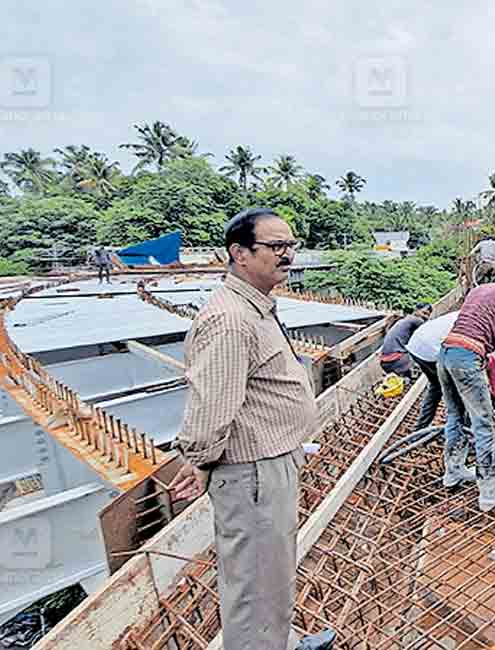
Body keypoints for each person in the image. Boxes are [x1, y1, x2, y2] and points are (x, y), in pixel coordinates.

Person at [169, 207, 332, 650]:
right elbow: (212, 403)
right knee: (256, 584)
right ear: (239, 253)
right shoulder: (230, 319)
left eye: (291, 246)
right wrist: (200, 459)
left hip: (269, 464)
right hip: (252, 472)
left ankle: (280, 641)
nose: (288, 255)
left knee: (272, 572)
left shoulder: (255, 307)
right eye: (276, 247)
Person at [438, 262, 495, 510]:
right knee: (484, 424)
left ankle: (454, 471)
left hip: (445, 354)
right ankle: (490, 491)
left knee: (455, 416)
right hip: (467, 358)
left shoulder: (479, 289)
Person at [405, 310, 460, 432]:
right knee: (457, 392)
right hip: (431, 350)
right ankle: (457, 432)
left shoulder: (462, 313)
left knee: (436, 386)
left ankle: (419, 430)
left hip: (416, 345)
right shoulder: (477, 321)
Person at [379, 303, 432, 377]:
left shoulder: (405, 319)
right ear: (416, 310)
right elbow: (429, 329)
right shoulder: (415, 320)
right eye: (424, 313)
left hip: (384, 362)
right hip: (396, 361)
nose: (425, 317)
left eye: (428, 315)